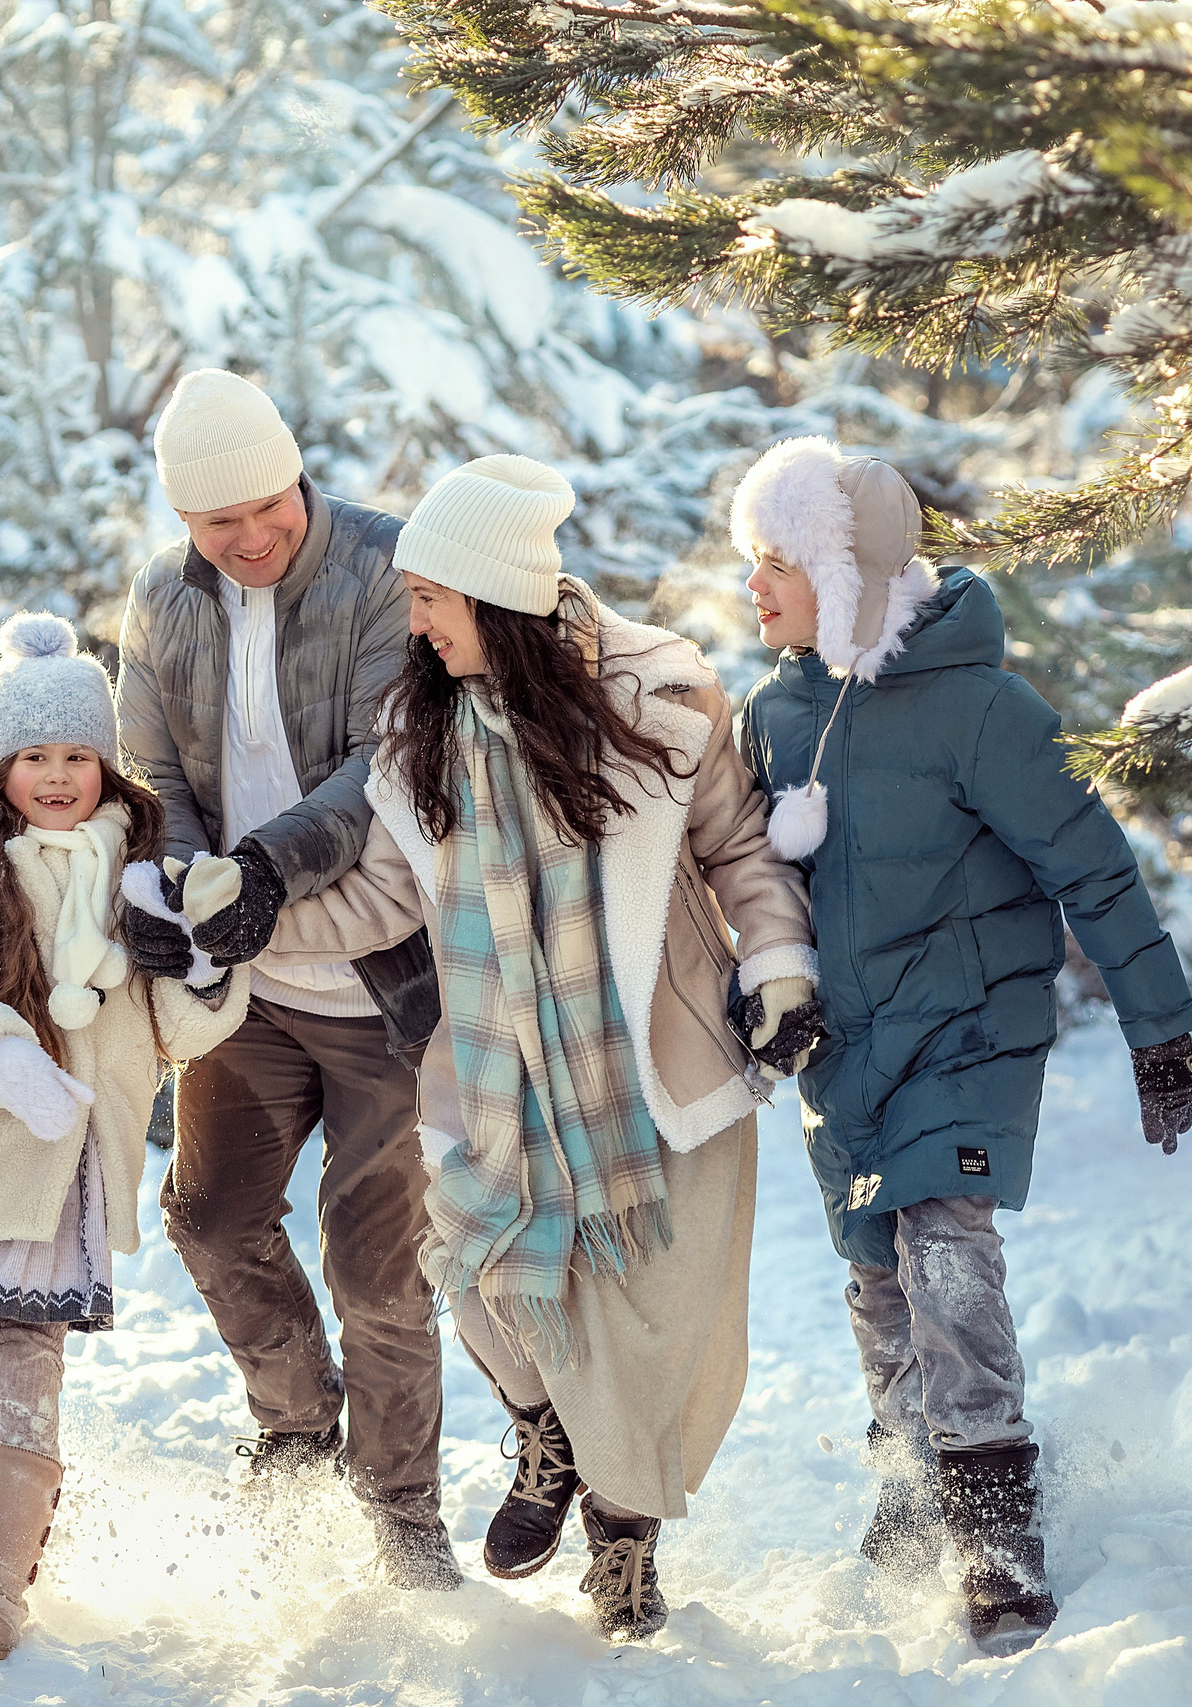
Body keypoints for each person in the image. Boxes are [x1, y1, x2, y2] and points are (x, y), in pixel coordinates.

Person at [260, 455, 825, 1638]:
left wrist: (777, 968)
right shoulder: (422, 729)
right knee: (476, 1285)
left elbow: (739, 856)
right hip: (493, 1068)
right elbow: (379, 900)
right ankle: (544, 1432)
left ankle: (623, 1546)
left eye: (431, 598)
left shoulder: (659, 700)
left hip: (654, 1065)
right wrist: (244, 928)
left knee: (650, 1326)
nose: (412, 620)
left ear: (493, 596)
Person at [729, 437, 1192, 1655]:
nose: (754, 587)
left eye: (778, 563)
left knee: (944, 1253)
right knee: (879, 1282)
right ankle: (909, 1487)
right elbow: (737, 886)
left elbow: (1092, 869)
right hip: (844, 1056)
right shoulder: (774, 713)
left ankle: (995, 1530)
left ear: (848, 578)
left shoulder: (983, 708)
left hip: (966, 1033)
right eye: (753, 562)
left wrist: (1160, 1033)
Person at [113, 370, 456, 1585]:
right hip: (247, 996)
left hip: (380, 987)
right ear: (184, 525)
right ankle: (297, 1429)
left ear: (296, 475)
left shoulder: (379, 569)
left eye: (268, 505)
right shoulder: (162, 600)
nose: (253, 537)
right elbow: (150, 777)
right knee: (209, 1220)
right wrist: (179, 892)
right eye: (220, 523)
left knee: (379, 1269)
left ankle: (404, 1513)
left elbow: (385, 761)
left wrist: (267, 867)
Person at [0, 613, 248, 1662]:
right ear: (2, 766)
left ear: (105, 766)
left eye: (77, 755)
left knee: (27, 1367)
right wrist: (0, 1054)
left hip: (63, 1174)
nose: (59, 775)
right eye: (36, 756)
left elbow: (174, 1026)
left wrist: (207, 967)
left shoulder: (138, 878)